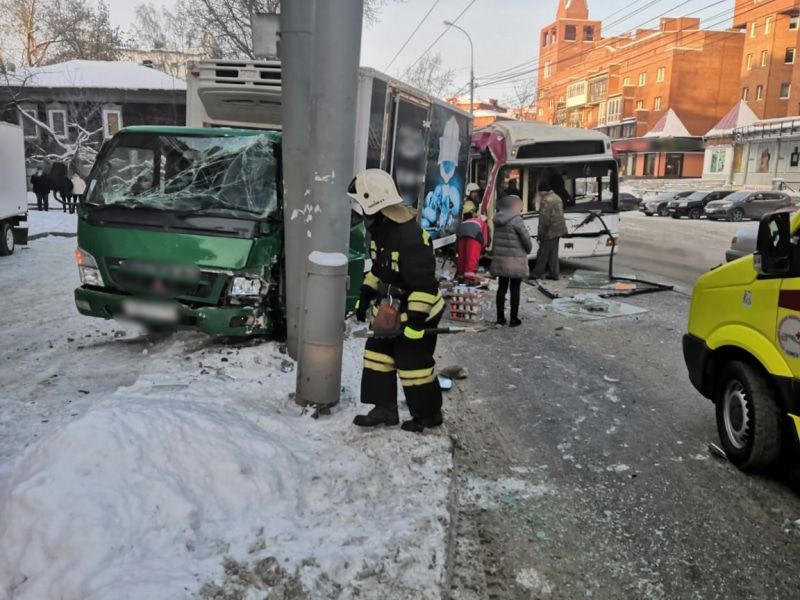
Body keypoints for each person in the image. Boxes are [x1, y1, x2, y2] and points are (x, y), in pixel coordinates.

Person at [349, 169, 445, 433]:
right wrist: (365, 294)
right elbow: (380, 270)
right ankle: (384, 409)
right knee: (377, 355)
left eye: (360, 204)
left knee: (413, 363)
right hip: (392, 305)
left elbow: (424, 285)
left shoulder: (409, 238)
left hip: (419, 308)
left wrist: (416, 322)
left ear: (374, 203)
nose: (358, 211)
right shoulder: (382, 231)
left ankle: (429, 415)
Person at [490, 194, 532, 327]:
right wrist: (529, 249)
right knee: (515, 289)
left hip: (502, 259)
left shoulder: (498, 219)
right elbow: (526, 239)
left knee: (501, 288)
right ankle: (513, 319)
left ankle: (500, 318)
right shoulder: (516, 220)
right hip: (515, 259)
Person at [532, 177, 568, 281]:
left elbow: (544, 220)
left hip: (549, 231)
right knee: (553, 253)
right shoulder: (557, 197)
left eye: (540, 192)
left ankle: (536, 273)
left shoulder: (546, 200)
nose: (539, 194)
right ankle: (554, 273)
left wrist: (541, 234)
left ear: (543, 191)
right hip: (558, 230)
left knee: (542, 253)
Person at [455, 200, 488, 281]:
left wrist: (456, 250)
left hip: (461, 230)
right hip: (474, 234)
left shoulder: (464, 222)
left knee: (462, 254)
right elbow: (484, 239)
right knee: (472, 254)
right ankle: (469, 275)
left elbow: (457, 245)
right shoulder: (482, 223)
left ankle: (460, 274)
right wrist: (483, 249)